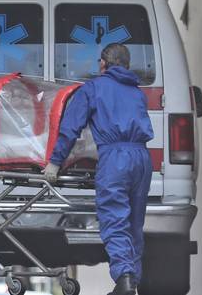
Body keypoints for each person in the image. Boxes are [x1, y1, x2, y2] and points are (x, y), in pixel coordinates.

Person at [44, 44, 153, 295]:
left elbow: (71, 128)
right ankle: (131, 281)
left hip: (115, 159)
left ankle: (124, 278)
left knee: (115, 219)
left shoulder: (92, 89)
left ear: (104, 63)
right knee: (134, 223)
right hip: (141, 157)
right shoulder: (137, 93)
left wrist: (56, 161)